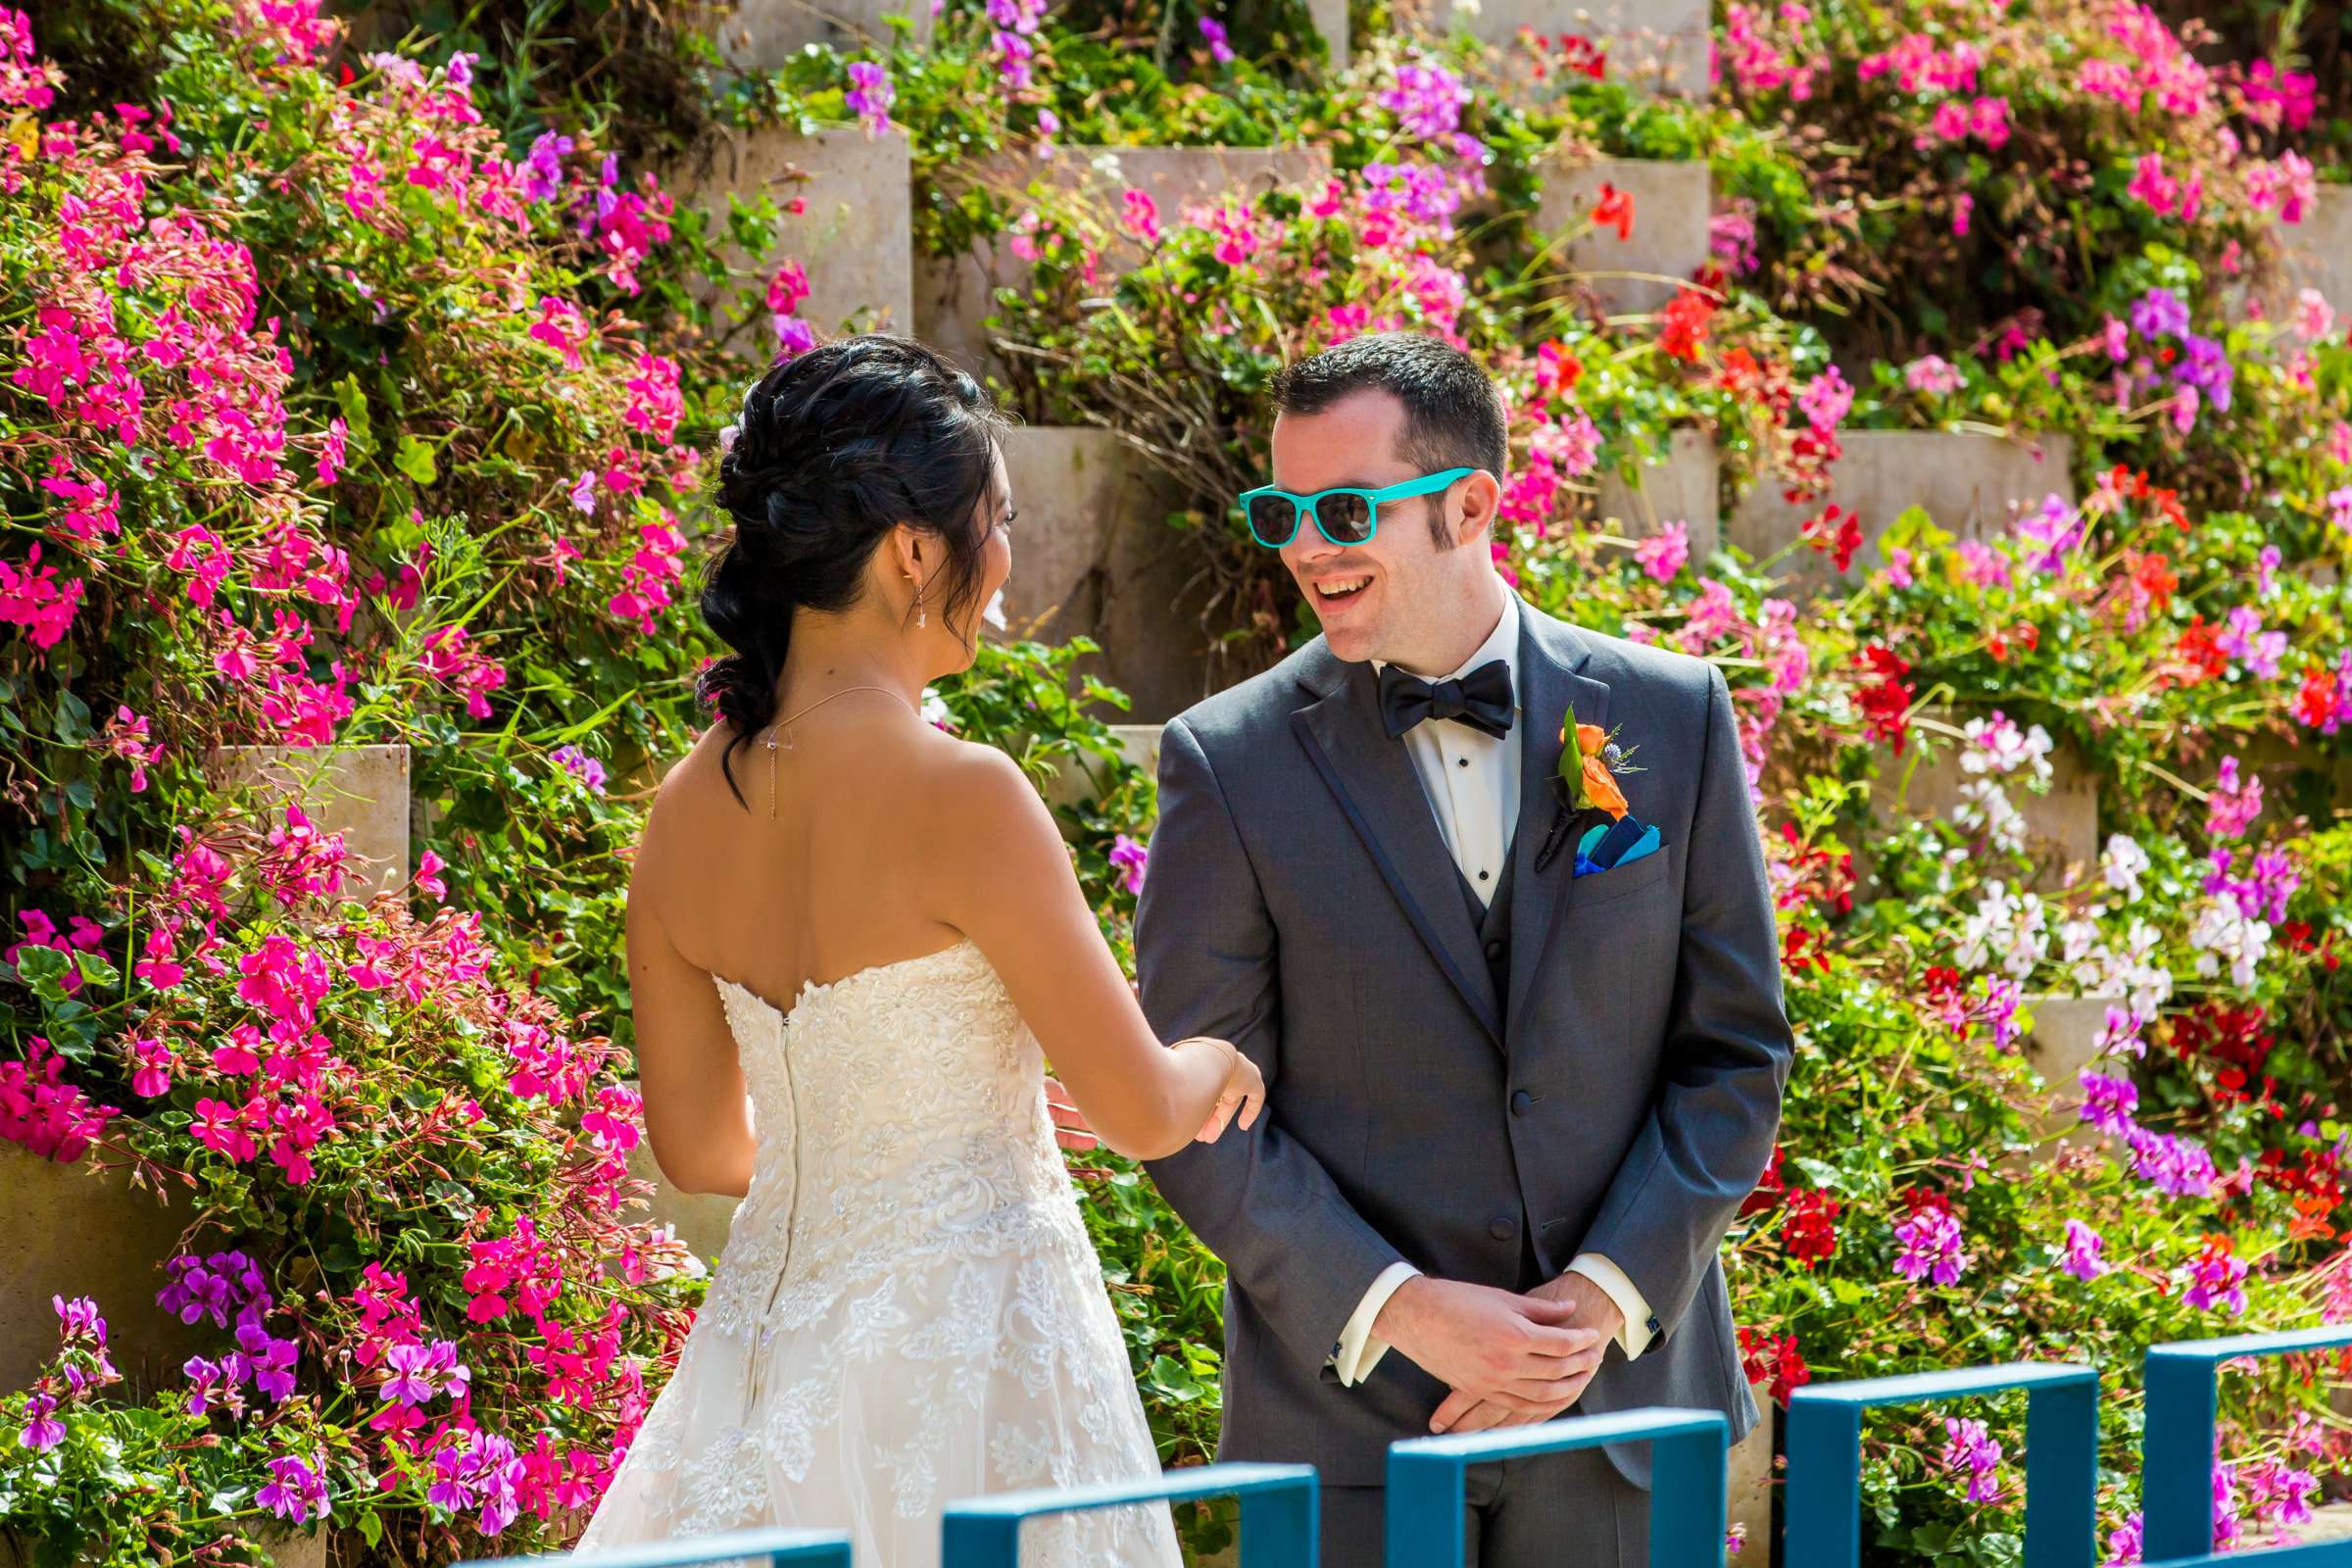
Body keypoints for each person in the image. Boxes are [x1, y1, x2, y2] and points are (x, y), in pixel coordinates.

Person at [578, 335, 1257, 1568]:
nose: (1005, 561)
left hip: (763, 1381)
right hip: (975, 1366)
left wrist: (880, 1148)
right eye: (994, 520)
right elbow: (1147, 1109)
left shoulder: (680, 812)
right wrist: (1222, 1059)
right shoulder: (968, 796)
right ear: (912, 549)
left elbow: (695, 1147)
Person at [1138, 330, 1791, 1566]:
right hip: (1349, 1434)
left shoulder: (1671, 714)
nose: (1305, 549)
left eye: (1343, 508)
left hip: (1624, 1419)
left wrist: (1594, 1304)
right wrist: (1405, 1311)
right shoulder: (1226, 763)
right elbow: (1198, 1106)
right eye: (1283, 511)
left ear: (1471, 503)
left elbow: (1736, 1054)